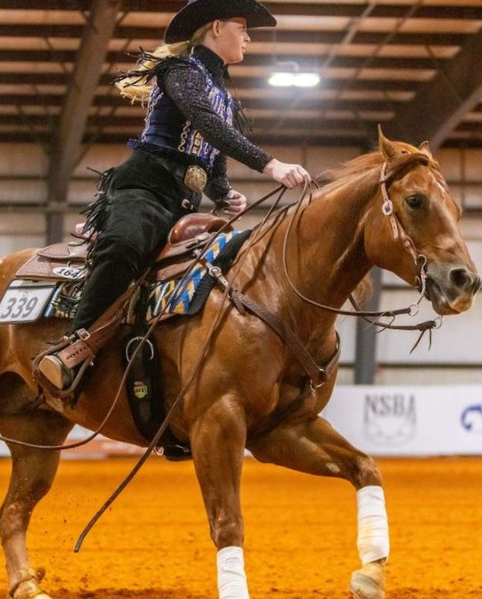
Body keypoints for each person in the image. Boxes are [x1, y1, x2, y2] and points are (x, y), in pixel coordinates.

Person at [36, 0, 311, 390]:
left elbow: (211, 158)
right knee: (124, 245)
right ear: (216, 27)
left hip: (182, 206)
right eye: (242, 26)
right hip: (143, 190)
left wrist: (225, 193)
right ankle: (73, 346)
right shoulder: (180, 71)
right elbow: (207, 125)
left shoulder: (224, 97)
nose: (248, 35)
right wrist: (270, 165)